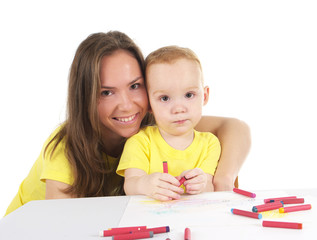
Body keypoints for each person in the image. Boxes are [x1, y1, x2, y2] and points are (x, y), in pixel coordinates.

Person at [4, 31, 251, 216]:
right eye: (106, 92)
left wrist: (221, 181)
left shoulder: (156, 122)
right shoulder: (67, 148)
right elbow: (61, 226)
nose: (127, 105)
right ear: (86, 97)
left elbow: (235, 128)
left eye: (135, 86)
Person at [117, 46, 221, 201]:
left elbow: (210, 186)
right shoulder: (140, 142)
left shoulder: (210, 144)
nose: (179, 108)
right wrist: (145, 184)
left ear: (204, 96)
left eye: (189, 95)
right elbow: (130, 185)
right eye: (165, 98)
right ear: (149, 104)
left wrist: (202, 183)